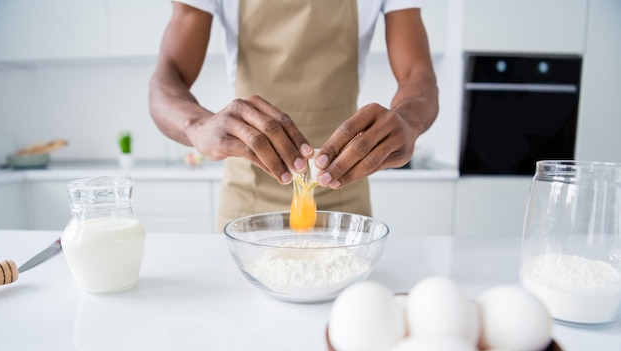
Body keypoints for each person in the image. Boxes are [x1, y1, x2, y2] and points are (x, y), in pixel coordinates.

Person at [149, 0, 439, 231]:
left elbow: (418, 75)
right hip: (247, 200)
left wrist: (408, 121)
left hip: (343, 198)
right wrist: (197, 125)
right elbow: (165, 80)